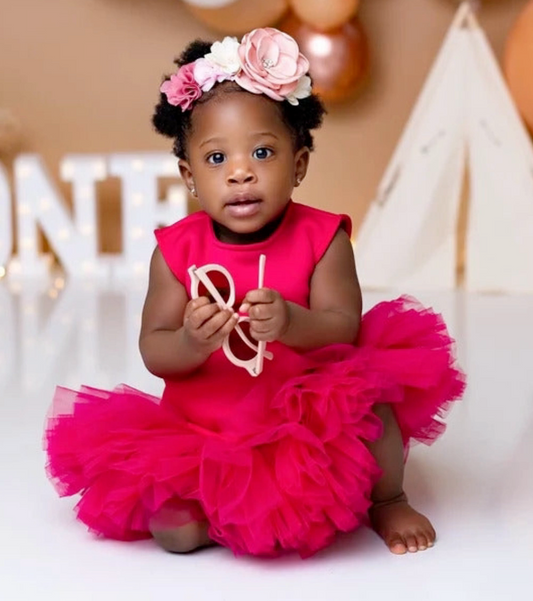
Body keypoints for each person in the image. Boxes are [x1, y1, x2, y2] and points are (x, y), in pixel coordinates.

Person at [44, 27, 465, 559]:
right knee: (172, 533)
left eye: (262, 152)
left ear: (299, 164)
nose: (241, 172)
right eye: (217, 159)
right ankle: (238, 513)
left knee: (372, 405)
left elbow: (343, 325)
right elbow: (154, 349)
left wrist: (293, 322)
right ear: (189, 175)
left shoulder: (323, 238)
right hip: (208, 425)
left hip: (302, 416)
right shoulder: (175, 251)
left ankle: (388, 498)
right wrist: (192, 342)